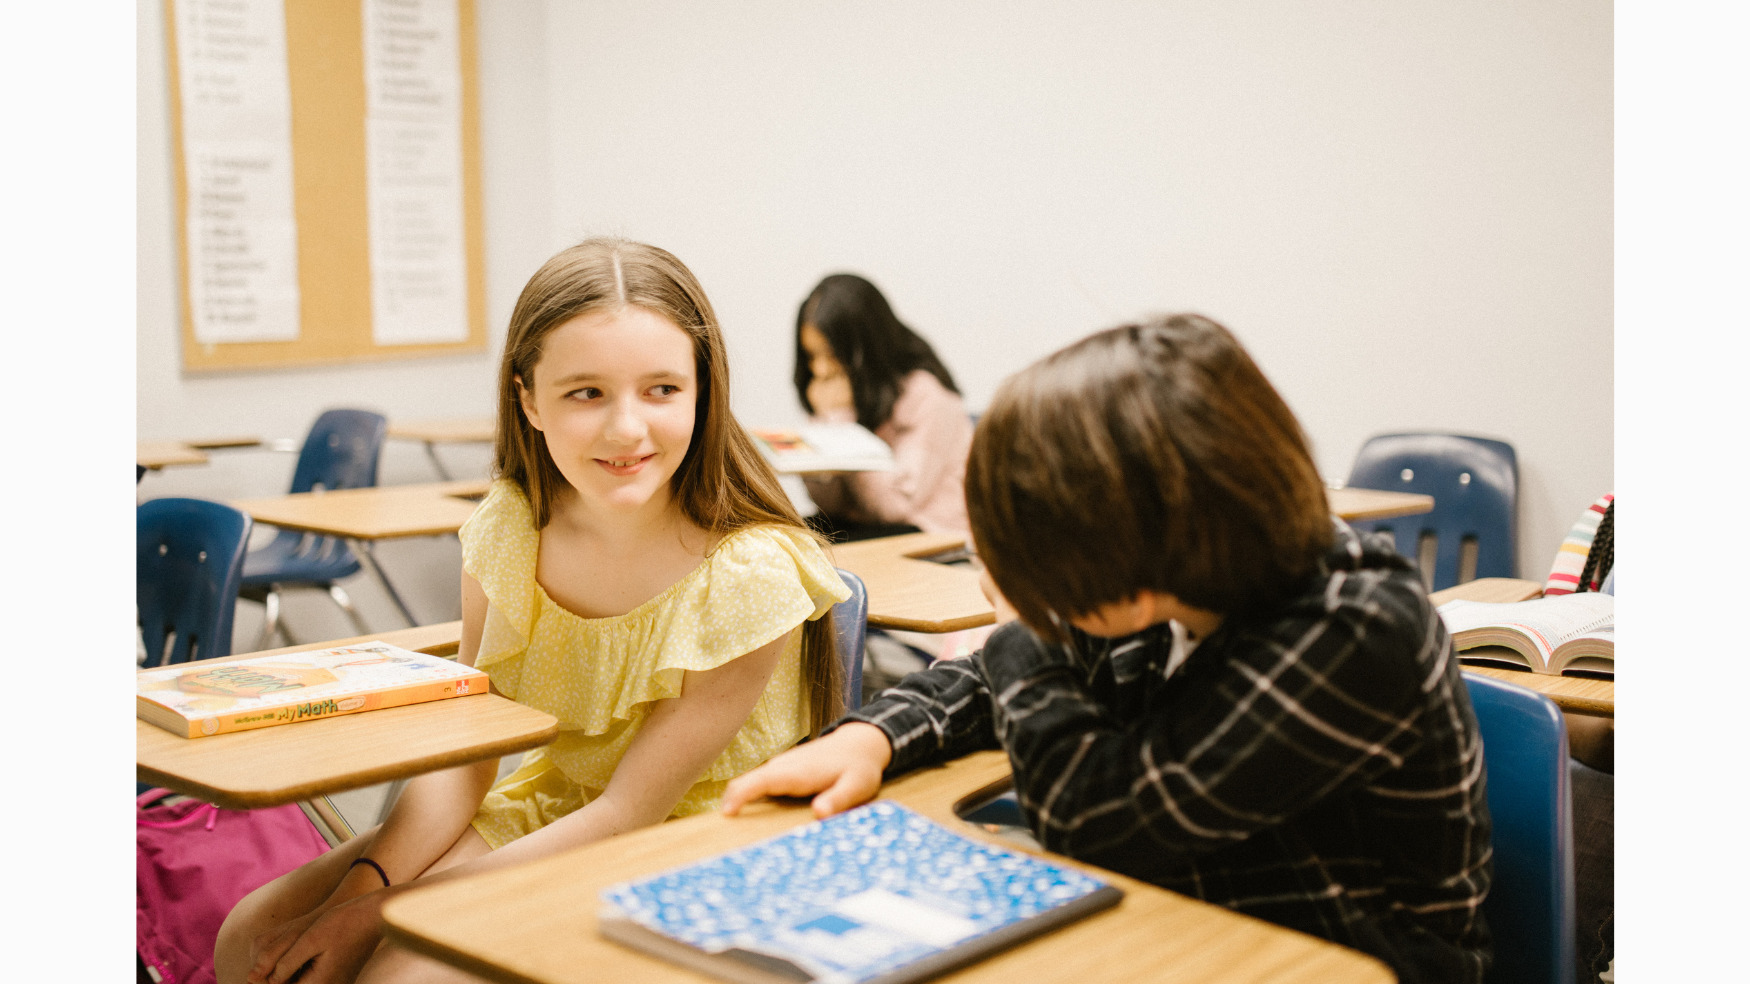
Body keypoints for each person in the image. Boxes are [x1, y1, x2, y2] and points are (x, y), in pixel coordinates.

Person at [725, 314, 1495, 984]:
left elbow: (1098, 821)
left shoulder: (1356, 629)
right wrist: (874, 736)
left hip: (1342, 960)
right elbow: (994, 681)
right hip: (1188, 926)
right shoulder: (1173, 580)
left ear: (1134, 552)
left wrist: (1021, 622)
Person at [217, 238, 850, 984]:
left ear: (702, 391)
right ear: (528, 399)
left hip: (690, 839)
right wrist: (359, 897)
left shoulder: (749, 575)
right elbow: (468, 761)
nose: (626, 428)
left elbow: (629, 812)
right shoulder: (511, 529)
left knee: (403, 974)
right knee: (248, 937)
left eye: (661, 390)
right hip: (558, 805)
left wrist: (380, 916)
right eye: (586, 393)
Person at [792, 273, 974, 539]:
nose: (820, 369)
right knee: (781, 535)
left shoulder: (929, 398)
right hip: (865, 525)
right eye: (811, 356)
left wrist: (842, 426)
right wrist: (825, 424)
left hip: (928, 533)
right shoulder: (843, 399)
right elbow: (829, 505)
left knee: (818, 548)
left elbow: (895, 508)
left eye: (831, 355)